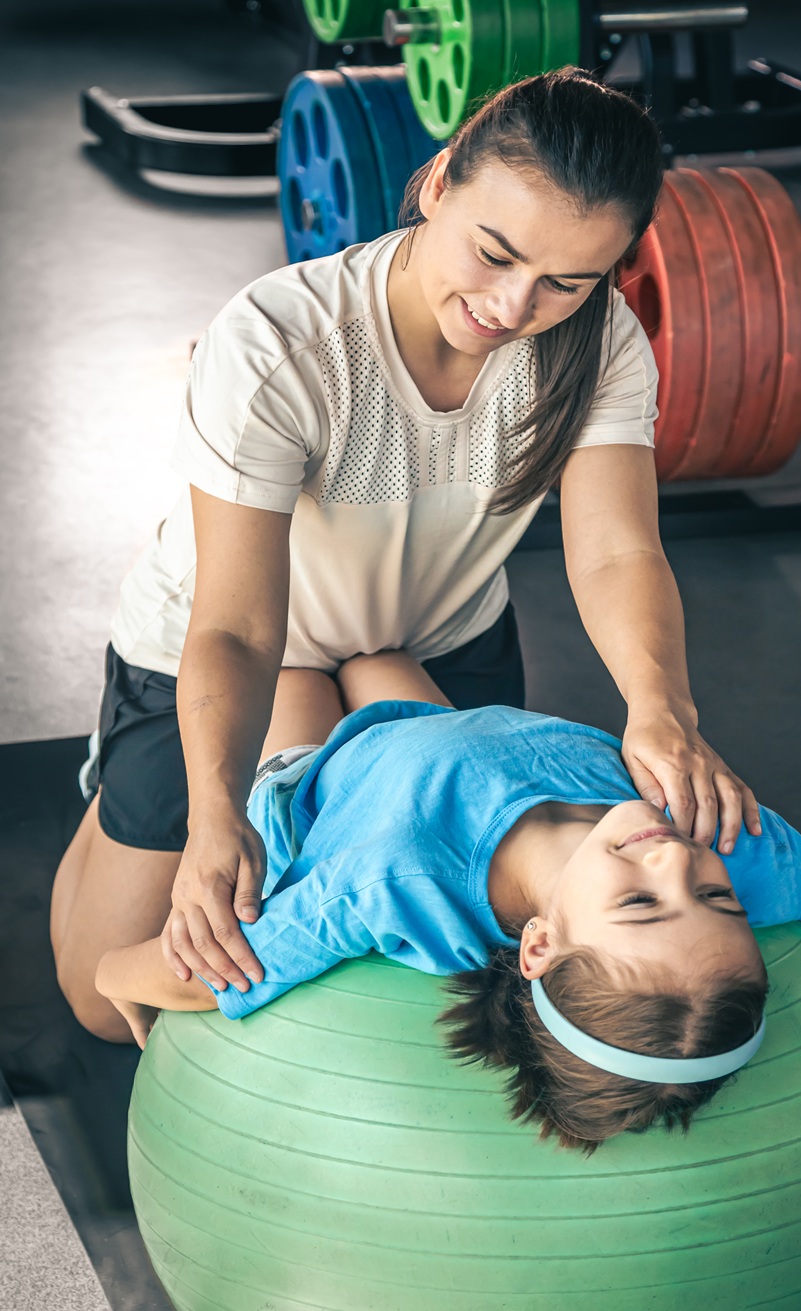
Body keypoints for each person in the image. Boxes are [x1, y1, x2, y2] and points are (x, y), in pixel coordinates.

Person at [54, 68, 764, 1045]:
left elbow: (614, 551)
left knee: (442, 951)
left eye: (567, 280)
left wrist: (661, 708)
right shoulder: (281, 341)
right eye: (495, 252)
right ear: (438, 184)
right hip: (230, 650)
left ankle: (346, 715)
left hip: (436, 634)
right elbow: (239, 624)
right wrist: (215, 816)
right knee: (102, 1005)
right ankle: (116, 786)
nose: (515, 304)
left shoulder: (599, 345)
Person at [96, 652, 801, 1153]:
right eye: (714, 896)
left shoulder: (393, 880)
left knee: (295, 673)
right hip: (440, 727)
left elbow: (222, 967)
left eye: (638, 901)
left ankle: (109, 768)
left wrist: (114, 974)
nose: (672, 858)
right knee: (377, 656)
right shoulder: (717, 831)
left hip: (322, 785)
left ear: (540, 945)